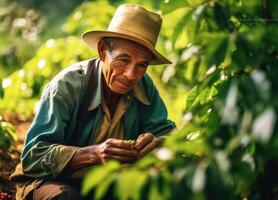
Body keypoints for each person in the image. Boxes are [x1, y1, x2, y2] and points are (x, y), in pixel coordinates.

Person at [10, 3, 175, 200]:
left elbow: (167, 134)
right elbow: (33, 157)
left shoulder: (144, 86)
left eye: (142, 65)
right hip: (52, 180)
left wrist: (156, 143)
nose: (132, 75)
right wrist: (94, 154)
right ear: (103, 50)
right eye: (123, 59)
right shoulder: (67, 87)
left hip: (108, 182)